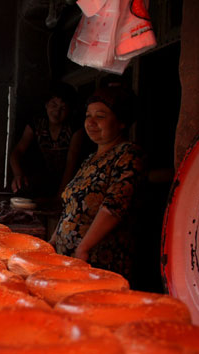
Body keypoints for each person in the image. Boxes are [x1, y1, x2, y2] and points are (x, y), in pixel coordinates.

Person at [49, 85, 146, 281]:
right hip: (70, 260)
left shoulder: (128, 154)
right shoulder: (91, 159)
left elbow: (114, 207)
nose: (91, 122)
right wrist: (53, 240)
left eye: (100, 116)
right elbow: (71, 206)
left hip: (96, 262)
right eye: (88, 115)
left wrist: (84, 247)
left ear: (121, 122)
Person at [9, 82, 86, 198]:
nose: (57, 111)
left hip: (71, 180)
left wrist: (61, 195)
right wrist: (18, 175)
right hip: (45, 177)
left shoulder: (75, 127)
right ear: (46, 104)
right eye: (54, 104)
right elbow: (17, 151)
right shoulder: (36, 123)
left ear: (70, 110)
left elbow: (71, 163)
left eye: (63, 108)